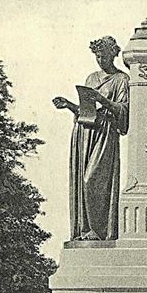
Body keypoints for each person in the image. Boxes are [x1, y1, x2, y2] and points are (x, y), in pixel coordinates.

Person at [53, 36, 129, 241]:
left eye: (103, 56)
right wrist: (69, 105)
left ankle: (101, 230)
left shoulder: (121, 79)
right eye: (97, 56)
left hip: (105, 134)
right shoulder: (91, 78)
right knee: (82, 180)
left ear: (113, 54)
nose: (100, 60)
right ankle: (86, 229)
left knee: (93, 180)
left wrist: (103, 100)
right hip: (86, 132)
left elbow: (124, 111)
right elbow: (87, 110)